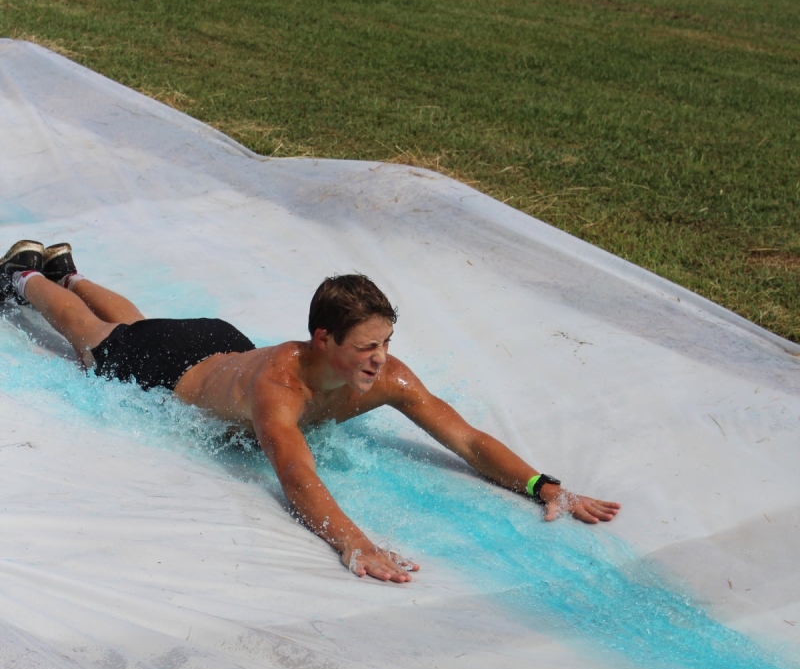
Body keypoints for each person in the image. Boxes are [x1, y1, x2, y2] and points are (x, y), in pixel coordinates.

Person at [1, 240, 621, 582]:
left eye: (386, 343)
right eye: (367, 347)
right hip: (173, 366)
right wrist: (355, 544)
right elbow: (296, 475)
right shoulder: (279, 389)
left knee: (143, 322)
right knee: (94, 338)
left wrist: (543, 484)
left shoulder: (384, 376)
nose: (381, 359)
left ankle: (70, 271)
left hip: (218, 343)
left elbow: (467, 439)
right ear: (323, 339)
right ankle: (26, 276)